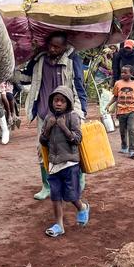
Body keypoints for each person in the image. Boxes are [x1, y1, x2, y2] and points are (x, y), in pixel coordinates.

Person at [23, 32, 87, 200]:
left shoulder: (73, 60)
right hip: (44, 113)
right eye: (50, 45)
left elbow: (78, 85)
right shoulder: (40, 60)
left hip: (66, 114)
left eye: (56, 47)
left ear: (64, 47)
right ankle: (46, 185)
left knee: (71, 148)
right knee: (42, 149)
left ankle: (79, 178)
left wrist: (81, 111)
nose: (52, 49)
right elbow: (26, 77)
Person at [39, 86, 89, 237]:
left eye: (62, 101)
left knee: (71, 196)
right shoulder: (48, 118)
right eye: (56, 100)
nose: (58, 104)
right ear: (51, 102)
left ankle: (82, 207)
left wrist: (63, 127)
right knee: (55, 196)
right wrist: (48, 128)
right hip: (54, 165)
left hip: (70, 164)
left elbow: (77, 139)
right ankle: (59, 225)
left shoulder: (73, 117)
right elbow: (42, 140)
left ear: (68, 103)